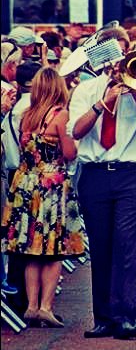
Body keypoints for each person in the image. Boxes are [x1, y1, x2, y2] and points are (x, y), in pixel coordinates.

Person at [67, 26, 136, 339]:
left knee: (127, 246)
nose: (117, 59)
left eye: (122, 52)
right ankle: (104, 318)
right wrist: (102, 103)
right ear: (99, 56)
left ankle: (126, 316)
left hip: (130, 175)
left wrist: (135, 89)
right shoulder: (86, 90)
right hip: (95, 175)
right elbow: (76, 131)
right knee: (101, 248)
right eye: (111, 53)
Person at [2, 67, 85, 328]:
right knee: (54, 249)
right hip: (51, 185)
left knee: (32, 249)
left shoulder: (26, 116)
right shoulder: (61, 116)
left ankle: (31, 306)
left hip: (26, 184)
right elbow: (69, 154)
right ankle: (46, 307)